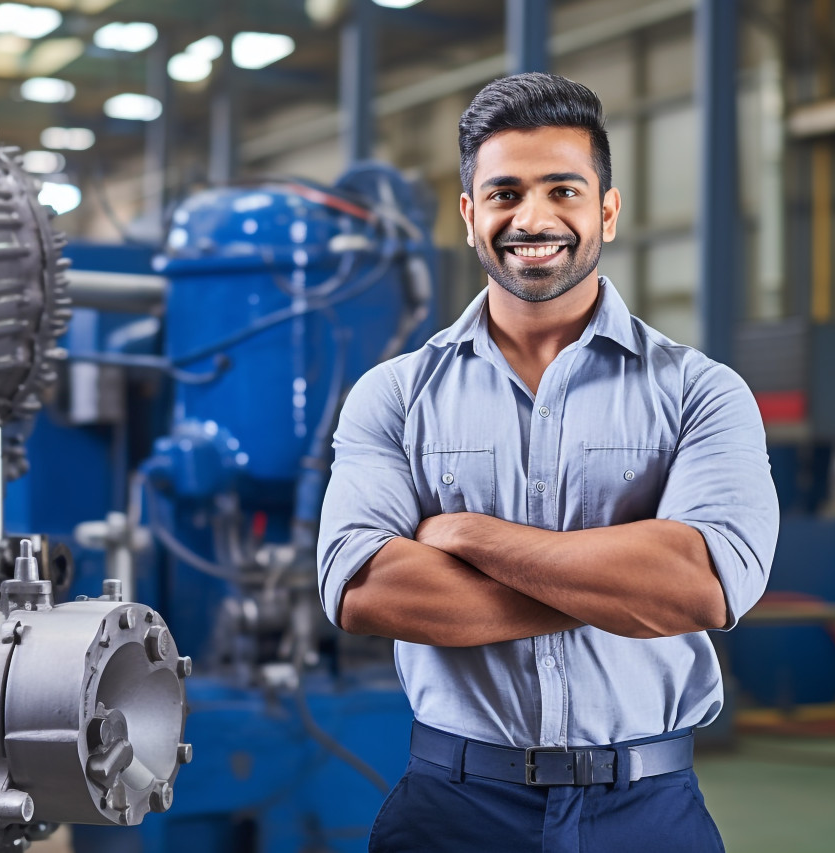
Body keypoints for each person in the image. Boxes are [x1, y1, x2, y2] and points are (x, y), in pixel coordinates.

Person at [317, 72, 778, 852]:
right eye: (504, 194)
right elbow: (365, 588)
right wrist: (624, 590)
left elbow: (702, 584)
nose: (533, 218)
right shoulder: (393, 395)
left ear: (607, 207)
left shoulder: (700, 390)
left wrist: (469, 537)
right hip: (452, 807)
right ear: (469, 216)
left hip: (647, 809)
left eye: (563, 189)